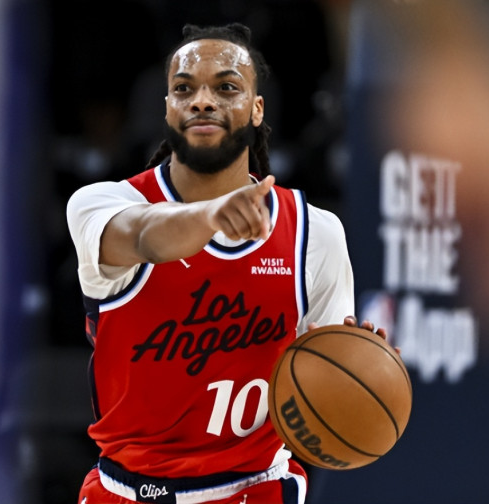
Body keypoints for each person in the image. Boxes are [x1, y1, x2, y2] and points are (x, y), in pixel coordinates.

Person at [66, 22, 388, 504]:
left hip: (256, 488)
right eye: (184, 89)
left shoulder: (314, 234)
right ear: (167, 108)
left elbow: (320, 398)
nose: (202, 101)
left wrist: (362, 375)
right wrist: (210, 215)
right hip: (128, 491)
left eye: (226, 87)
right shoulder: (102, 204)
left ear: (257, 109)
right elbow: (143, 236)